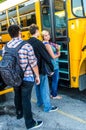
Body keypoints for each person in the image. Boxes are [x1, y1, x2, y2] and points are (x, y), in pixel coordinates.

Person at [2, 25, 43, 129]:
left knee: (17, 95)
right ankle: (30, 123)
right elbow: (33, 63)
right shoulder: (26, 45)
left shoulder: (5, 46)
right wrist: (37, 76)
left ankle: (19, 114)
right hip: (27, 77)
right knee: (26, 99)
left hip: (13, 77)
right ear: (19, 32)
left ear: (10, 34)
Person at [27, 24, 58, 112]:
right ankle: (47, 107)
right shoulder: (38, 42)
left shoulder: (28, 42)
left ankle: (39, 102)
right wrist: (51, 68)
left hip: (32, 69)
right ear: (36, 31)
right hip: (40, 68)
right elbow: (45, 56)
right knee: (44, 88)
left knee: (37, 86)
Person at [41, 30, 62, 99]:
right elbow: (53, 56)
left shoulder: (44, 43)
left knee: (53, 79)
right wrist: (58, 51)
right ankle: (54, 95)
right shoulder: (47, 45)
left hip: (51, 64)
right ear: (43, 37)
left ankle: (52, 93)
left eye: (48, 34)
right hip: (53, 64)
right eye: (45, 35)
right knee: (55, 79)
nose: (48, 36)